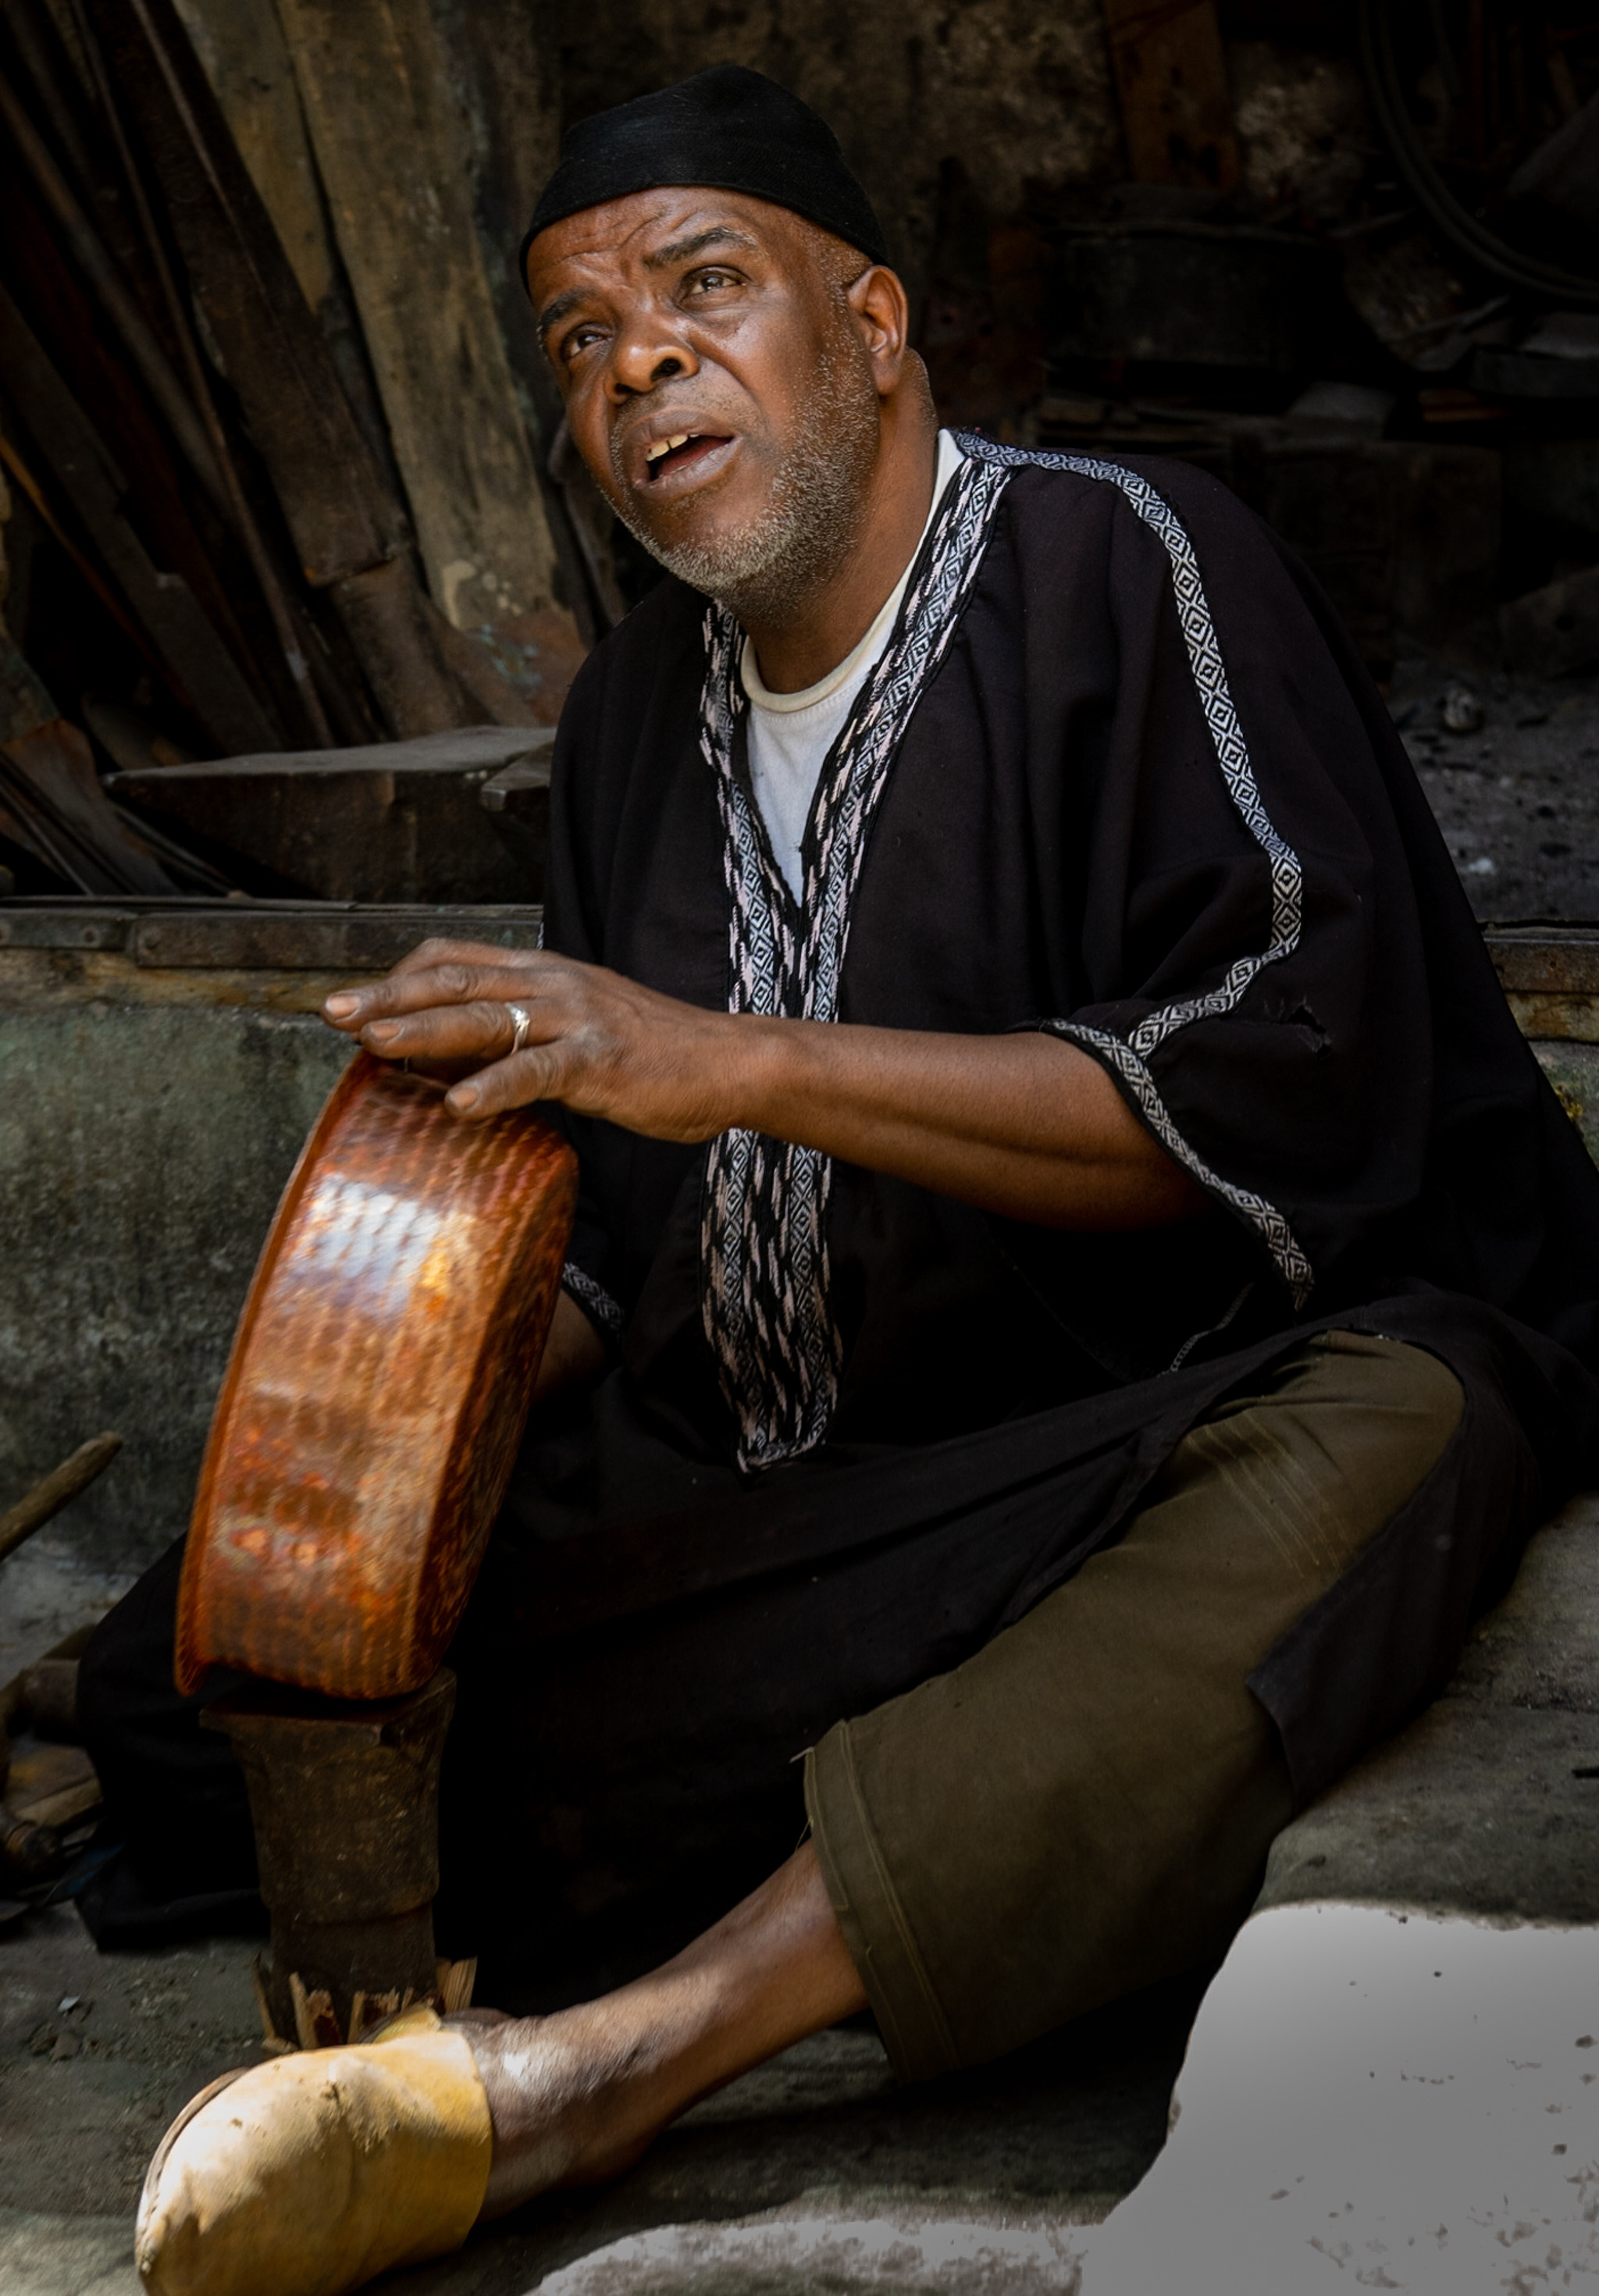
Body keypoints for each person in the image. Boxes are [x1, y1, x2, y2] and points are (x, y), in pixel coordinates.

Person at [98, 64, 1599, 2296]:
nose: (639, 366)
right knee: (217, 1660)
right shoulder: (627, 722)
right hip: (800, 1518)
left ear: (877, 319)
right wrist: (390, 1397)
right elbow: (623, 1249)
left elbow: (1294, 1083)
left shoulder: (1131, 562)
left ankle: (606, 2067)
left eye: (705, 290)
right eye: (582, 340)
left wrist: (737, 1064)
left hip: (1107, 1467)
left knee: (1398, 1435)